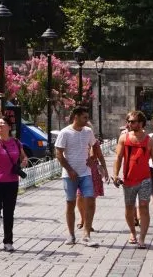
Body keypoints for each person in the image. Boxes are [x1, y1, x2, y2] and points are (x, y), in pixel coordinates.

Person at [55, 106, 106, 247]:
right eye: (84, 117)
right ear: (75, 117)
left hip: (85, 173)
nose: (86, 120)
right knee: (70, 203)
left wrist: (94, 158)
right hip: (69, 175)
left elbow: (96, 147)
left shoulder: (88, 132)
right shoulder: (65, 133)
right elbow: (58, 154)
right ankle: (71, 235)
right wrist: (69, 170)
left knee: (90, 200)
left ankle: (86, 234)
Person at [112, 109, 153, 248]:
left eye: (132, 122)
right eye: (128, 121)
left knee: (144, 207)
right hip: (128, 179)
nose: (129, 124)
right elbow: (118, 157)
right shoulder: (124, 138)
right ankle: (132, 232)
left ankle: (142, 238)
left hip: (145, 179)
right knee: (129, 208)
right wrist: (116, 175)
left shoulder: (150, 141)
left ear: (141, 123)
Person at [0, 116, 29, 252]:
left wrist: (24, 161)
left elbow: (23, 156)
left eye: (3, 123)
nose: (0, 125)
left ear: (9, 127)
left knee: (9, 213)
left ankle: (8, 241)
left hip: (12, 182)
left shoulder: (16, 142)